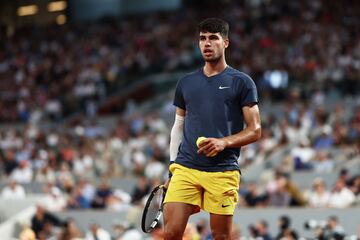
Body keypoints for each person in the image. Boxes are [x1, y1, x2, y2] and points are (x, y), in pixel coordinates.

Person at [163, 18, 261, 240]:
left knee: (221, 237)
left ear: (225, 43)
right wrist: (172, 166)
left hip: (223, 170)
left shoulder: (242, 82)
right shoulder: (186, 82)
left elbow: (255, 130)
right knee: (170, 234)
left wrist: (224, 142)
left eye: (213, 38)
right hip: (186, 168)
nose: (206, 43)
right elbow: (178, 126)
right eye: (202, 39)